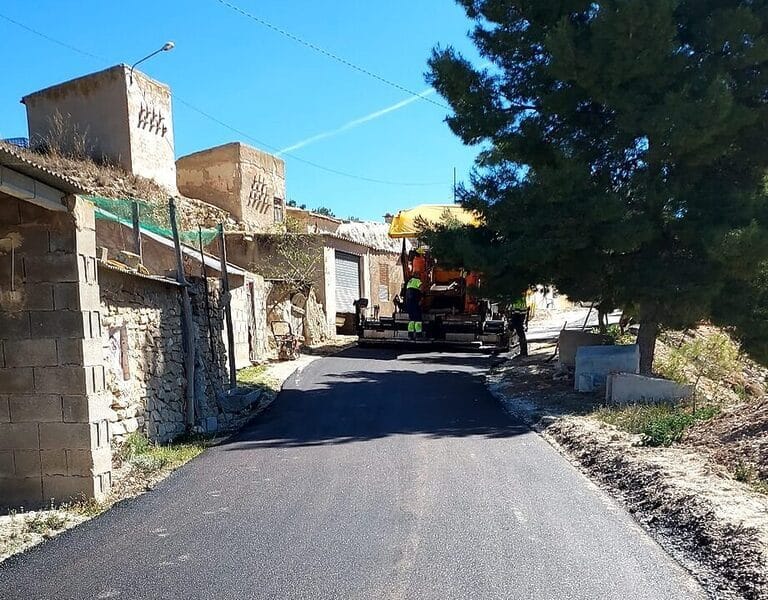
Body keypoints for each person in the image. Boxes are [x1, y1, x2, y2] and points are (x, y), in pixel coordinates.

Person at [509, 291, 529, 356]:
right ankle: (523, 351)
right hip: (518, 317)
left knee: (521, 334)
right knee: (520, 334)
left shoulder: (518, 298)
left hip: (518, 317)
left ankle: (523, 352)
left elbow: (518, 309)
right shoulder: (521, 298)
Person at [405, 274, 424, 340]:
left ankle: (410, 334)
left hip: (409, 303)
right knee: (418, 319)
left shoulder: (410, 281)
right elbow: (421, 288)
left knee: (412, 319)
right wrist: (422, 296)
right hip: (415, 302)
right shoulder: (417, 281)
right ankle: (418, 335)